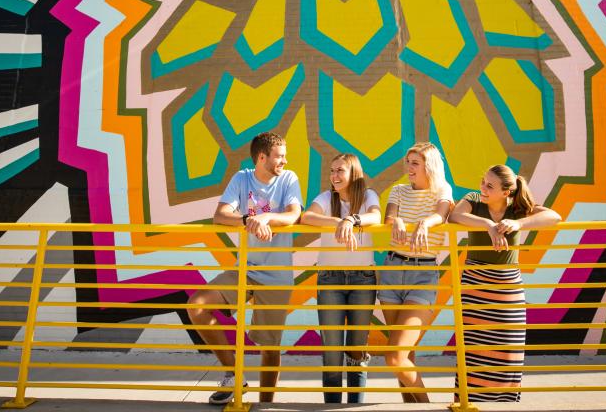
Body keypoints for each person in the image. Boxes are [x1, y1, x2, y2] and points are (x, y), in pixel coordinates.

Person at [186, 131, 302, 406]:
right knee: (197, 305)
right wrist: (249, 219)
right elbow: (220, 215)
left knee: (270, 347)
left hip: (277, 275)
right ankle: (233, 374)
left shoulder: (289, 178)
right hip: (246, 269)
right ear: (262, 157)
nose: (284, 160)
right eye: (279, 156)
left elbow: (293, 214)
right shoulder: (242, 178)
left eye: (285, 155)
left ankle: (265, 404)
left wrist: (266, 217)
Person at [448, 164, 561, 403]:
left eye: (490, 185)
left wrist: (519, 224)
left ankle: (505, 400)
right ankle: (470, 399)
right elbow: (455, 215)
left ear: (506, 192)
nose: (483, 188)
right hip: (475, 281)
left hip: (507, 284)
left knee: (508, 345)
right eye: (483, 182)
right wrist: (488, 225)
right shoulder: (474, 199)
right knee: (473, 345)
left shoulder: (517, 208)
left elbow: (554, 216)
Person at [301, 153, 382, 403]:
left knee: (356, 350)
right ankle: (332, 406)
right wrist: (338, 221)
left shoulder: (368, 196)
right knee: (332, 351)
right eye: (332, 170)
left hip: (363, 279)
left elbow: (376, 217)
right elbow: (307, 217)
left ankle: (354, 407)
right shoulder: (326, 198)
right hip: (330, 280)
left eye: (340, 171)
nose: (334, 176)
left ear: (353, 173)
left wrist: (351, 219)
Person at [379, 142, 453, 403]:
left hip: (423, 274)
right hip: (392, 270)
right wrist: (397, 220)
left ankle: (426, 406)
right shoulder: (398, 190)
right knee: (405, 355)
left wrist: (424, 222)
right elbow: (389, 219)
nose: (408, 167)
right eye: (408, 162)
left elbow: (441, 214)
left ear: (428, 166)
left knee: (395, 356)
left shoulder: (442, 190)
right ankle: (411, 408)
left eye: (414, 163)